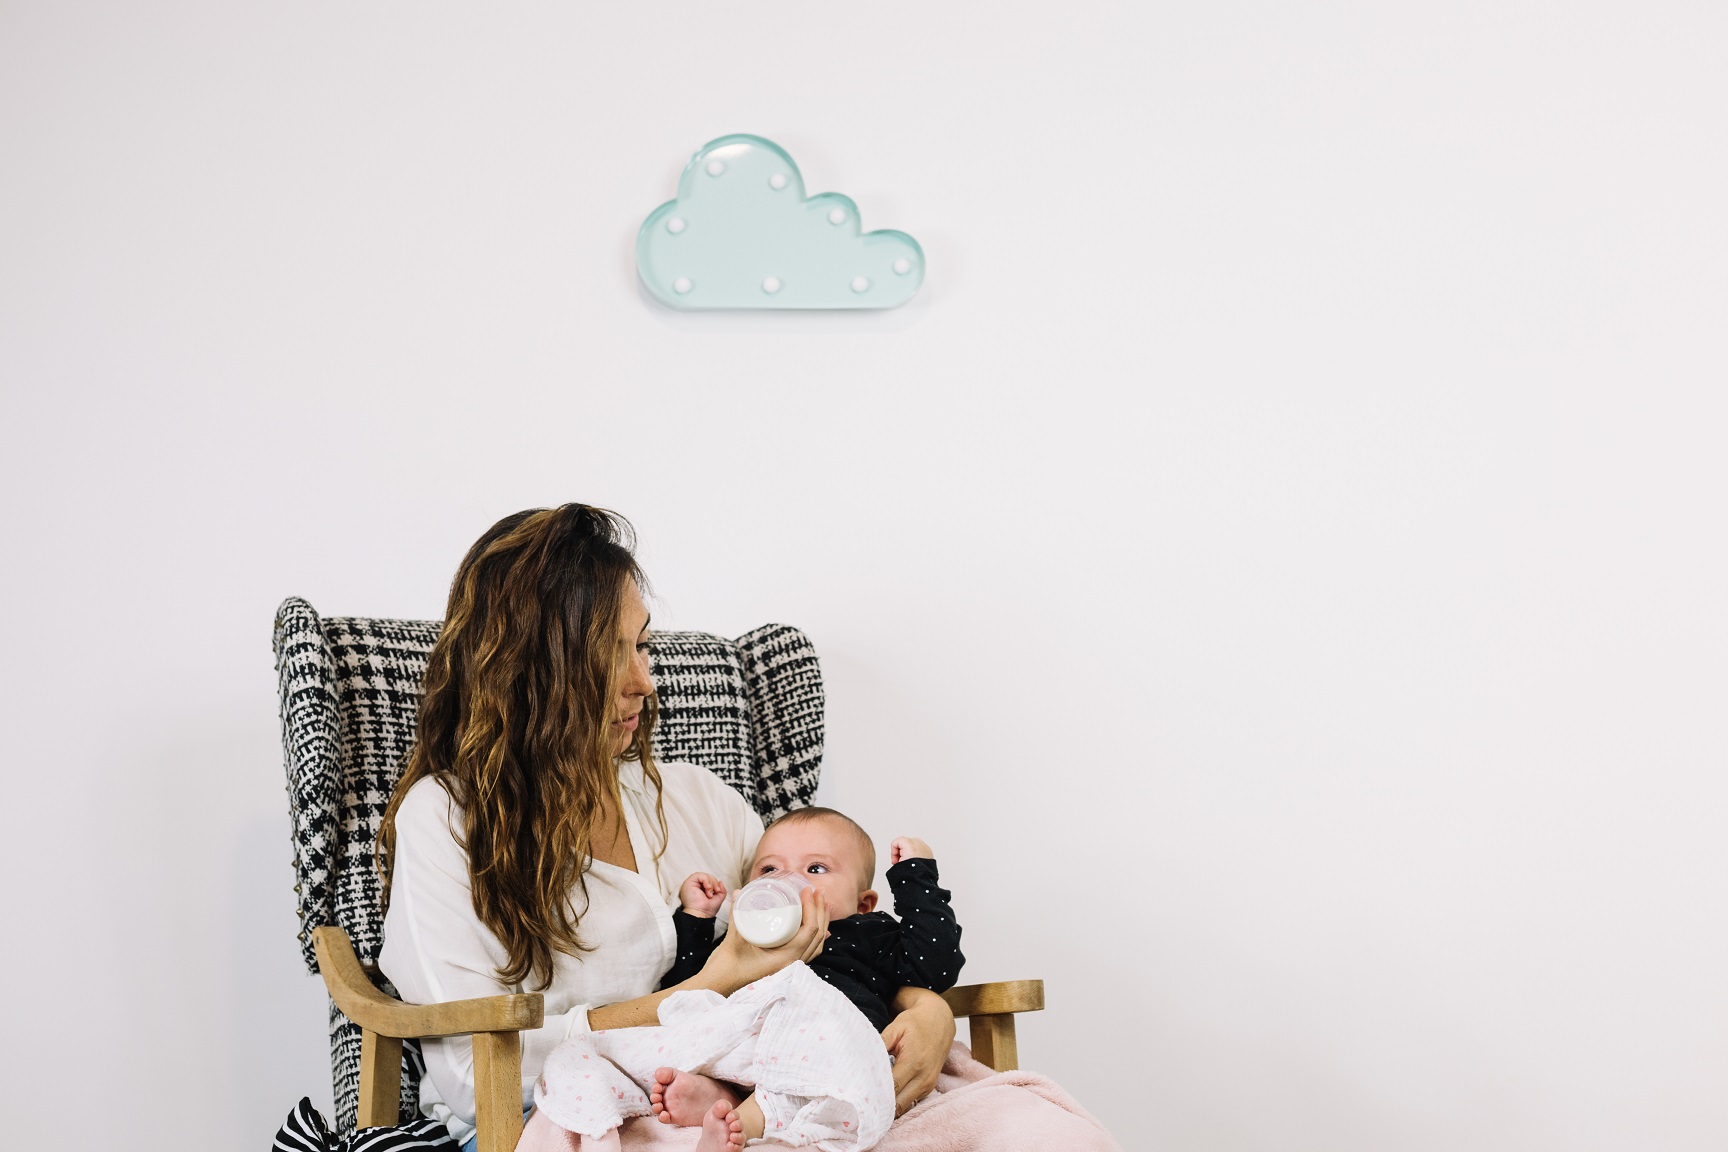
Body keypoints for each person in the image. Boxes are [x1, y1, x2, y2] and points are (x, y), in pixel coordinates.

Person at [375, 505, 956, 1152]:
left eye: (642, 645)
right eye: (607, 656)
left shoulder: (701, 802)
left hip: (749, 1109)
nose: (644, 683)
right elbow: (468, 1073)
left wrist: (924, 1008)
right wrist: (711, 984)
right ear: (529, 672)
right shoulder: (448, 822)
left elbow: (836, 945)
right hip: (552, 1120)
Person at [531, 807, 963, 1151]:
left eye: (816, 869)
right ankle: (716, 1095)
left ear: (863, 902)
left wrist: (915, 876)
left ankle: (744, 1118)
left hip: (821, 1054)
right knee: (693, 1024)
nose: (789, 881)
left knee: (821, 1051)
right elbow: (689, 987)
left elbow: (936, 965)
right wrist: (697, 920)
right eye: (769, 871)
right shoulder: (742, 939)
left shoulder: (871, 934)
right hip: (745, 1049)